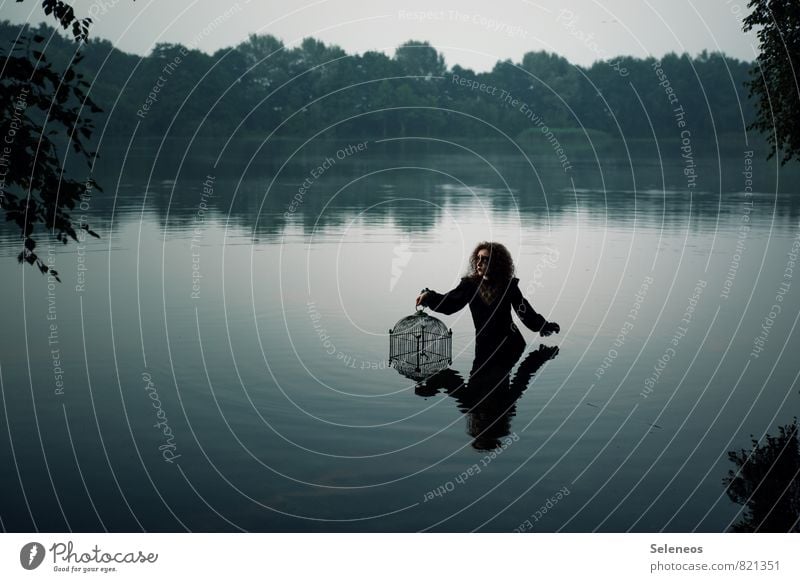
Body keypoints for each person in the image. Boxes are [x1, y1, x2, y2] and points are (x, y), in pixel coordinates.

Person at [416, 241, 559, 364]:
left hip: (511, 345)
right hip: (483, 346)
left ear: (496, 263)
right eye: (477, 258)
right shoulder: (469, 285)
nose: (479, 263)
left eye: (485, 259)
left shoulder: (508, 286)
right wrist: (428, 296)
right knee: (475, 390)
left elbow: (525, 312)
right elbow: (449, 304)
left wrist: (544, 326)